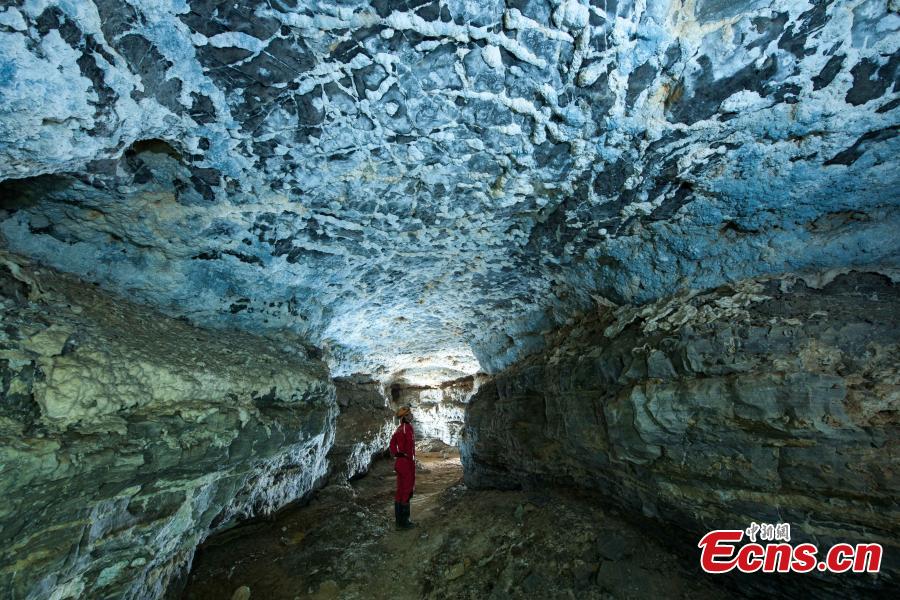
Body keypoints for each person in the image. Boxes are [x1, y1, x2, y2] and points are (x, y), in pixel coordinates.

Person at [389, 406, 416, 529]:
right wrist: (404, 456)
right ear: (405, 416)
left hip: (400, 462)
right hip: (406, 463)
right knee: (407, 490)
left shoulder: (399, 429)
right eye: (409, 414)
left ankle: (399, 522)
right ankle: (404, 522)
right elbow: (410, 449)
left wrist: (397, 453)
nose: (412, 415)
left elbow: (392, 443)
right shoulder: (406, 428)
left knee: (400, 490)